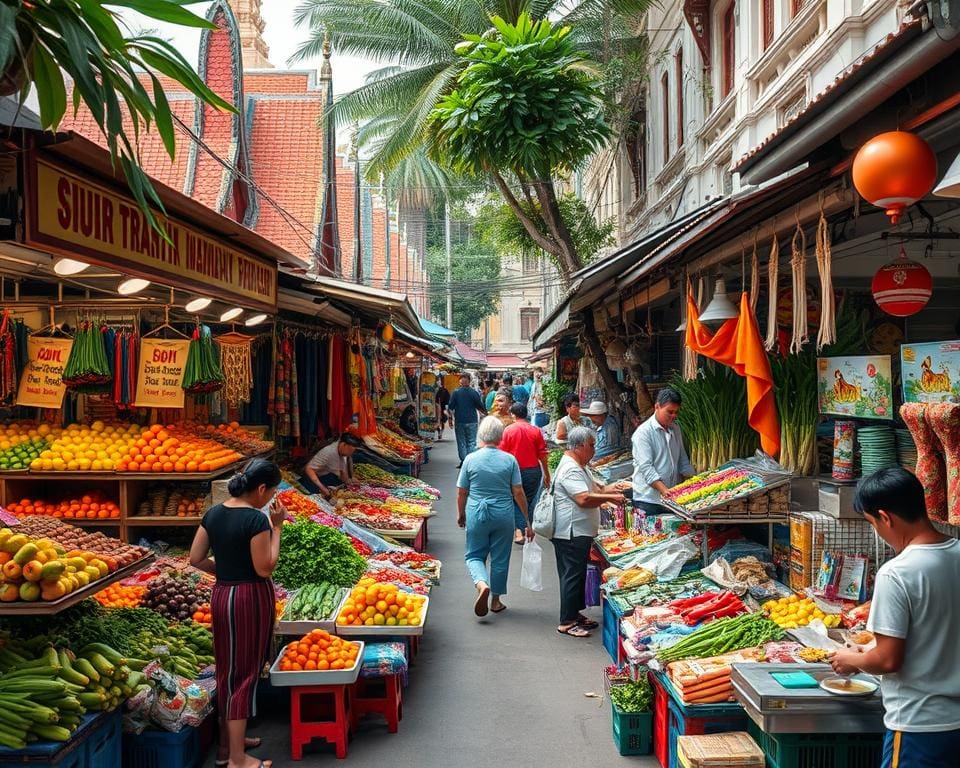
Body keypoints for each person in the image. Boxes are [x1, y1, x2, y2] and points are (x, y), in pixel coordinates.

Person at [829, 468, 960, 768]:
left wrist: (851, 659)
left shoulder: (897, 572)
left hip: (920, 726)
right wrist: (869, 650)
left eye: (872, 522)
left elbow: (888, 660)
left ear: (885, 518)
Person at [190, 458, 286, 768]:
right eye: (271, 492)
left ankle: (226, 746)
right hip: (248, 598)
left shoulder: (214, 513)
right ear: (260, 489)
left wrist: (226, 572)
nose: (271, 498)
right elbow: (265, 566)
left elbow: (195, 558)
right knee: (244, 675)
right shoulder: (256, 520)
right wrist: (277, 527)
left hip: (222, 595)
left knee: (227, 670)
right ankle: (237, 760)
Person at [551, 427, 630, 637]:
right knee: (571, 575)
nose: (594, 450)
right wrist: (609, 498)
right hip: (570, 532)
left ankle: (574, 614)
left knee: (576, 575)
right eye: (592, 446)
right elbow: (583, 498)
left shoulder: (579, 465)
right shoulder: (570, 468)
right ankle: (566, 622)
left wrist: (614, 489)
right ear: (579, 446)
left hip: (579, 531)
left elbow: (597, 489)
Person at [457, 416, 533, 617]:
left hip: (477, 512)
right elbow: (518, 491)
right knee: (500, 558)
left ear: (481, 435)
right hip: (503, 514)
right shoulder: (509, 460)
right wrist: (526, 520)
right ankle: (496, 601)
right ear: (500, 437)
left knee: (474, 554)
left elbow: (462, 491)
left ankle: (482, 584)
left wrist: (461, 514)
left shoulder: (470, 459)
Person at [631, 387, 695, 515]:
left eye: (676, 412)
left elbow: (683, 460)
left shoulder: (675, 429)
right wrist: (665, 491)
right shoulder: (643, 433)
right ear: (657, 407)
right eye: (669, 412)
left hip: (671, 499)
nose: (673, 416)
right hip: (648, 501)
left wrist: (696, 480)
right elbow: (647, 468)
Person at [500, 402, 551, 545]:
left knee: (515, 499)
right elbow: (542, 454)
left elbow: (503, 454)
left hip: (514, 470)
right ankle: (526, 528)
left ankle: (520, 531)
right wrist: (546, 473)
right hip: (533, 471)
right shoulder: (535, 430)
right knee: (527, 499)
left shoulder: (509, 431)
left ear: (513, 415)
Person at [302, 433, 363, 499]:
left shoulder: (342, 452)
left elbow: (343, 470)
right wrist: (322, 487)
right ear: (343, 445)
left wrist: (350, 481)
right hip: (312, 481)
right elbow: (309, 469)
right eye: (350, 450)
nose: (350, 453)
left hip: (326, 478)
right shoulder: (328, 452)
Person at [448, 373, 487, 468]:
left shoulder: (456, 393)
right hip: (472, 420)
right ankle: (470, 461)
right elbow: (480, 406)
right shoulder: (474, 393)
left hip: (460, 420)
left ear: (460, 381)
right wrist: (486, 413)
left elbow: (450, 407)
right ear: (469, 381)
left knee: (461, 442)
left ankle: (464, 461)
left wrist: (450, 418)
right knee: (472, 441)